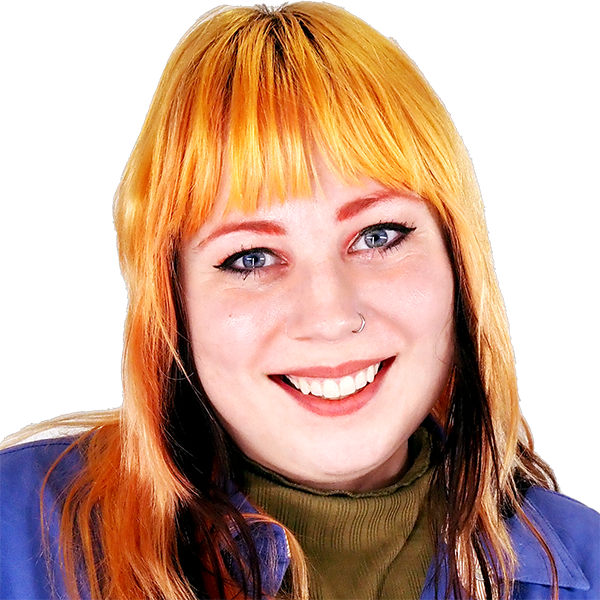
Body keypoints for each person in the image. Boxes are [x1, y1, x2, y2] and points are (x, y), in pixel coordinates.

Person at [0, 3, 599, 600]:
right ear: (172, 303)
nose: (330, 316)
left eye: (378, 235)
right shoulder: (13, 530)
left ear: (458, 263)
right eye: (251, 258)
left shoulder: (589, 562)